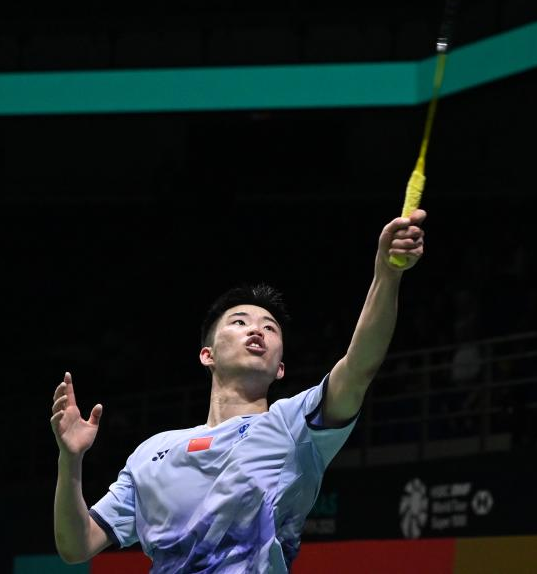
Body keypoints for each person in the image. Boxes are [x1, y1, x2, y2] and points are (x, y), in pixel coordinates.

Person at [49, 210, 427, 572]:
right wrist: (70, 459)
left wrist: (387, 274)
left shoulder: (293, 426)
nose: (256, 330)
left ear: (280, 368)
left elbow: (359, 366)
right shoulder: (150, 454)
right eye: (240, 321)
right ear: (207, 354)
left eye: (270, 328)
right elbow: (77, 545)